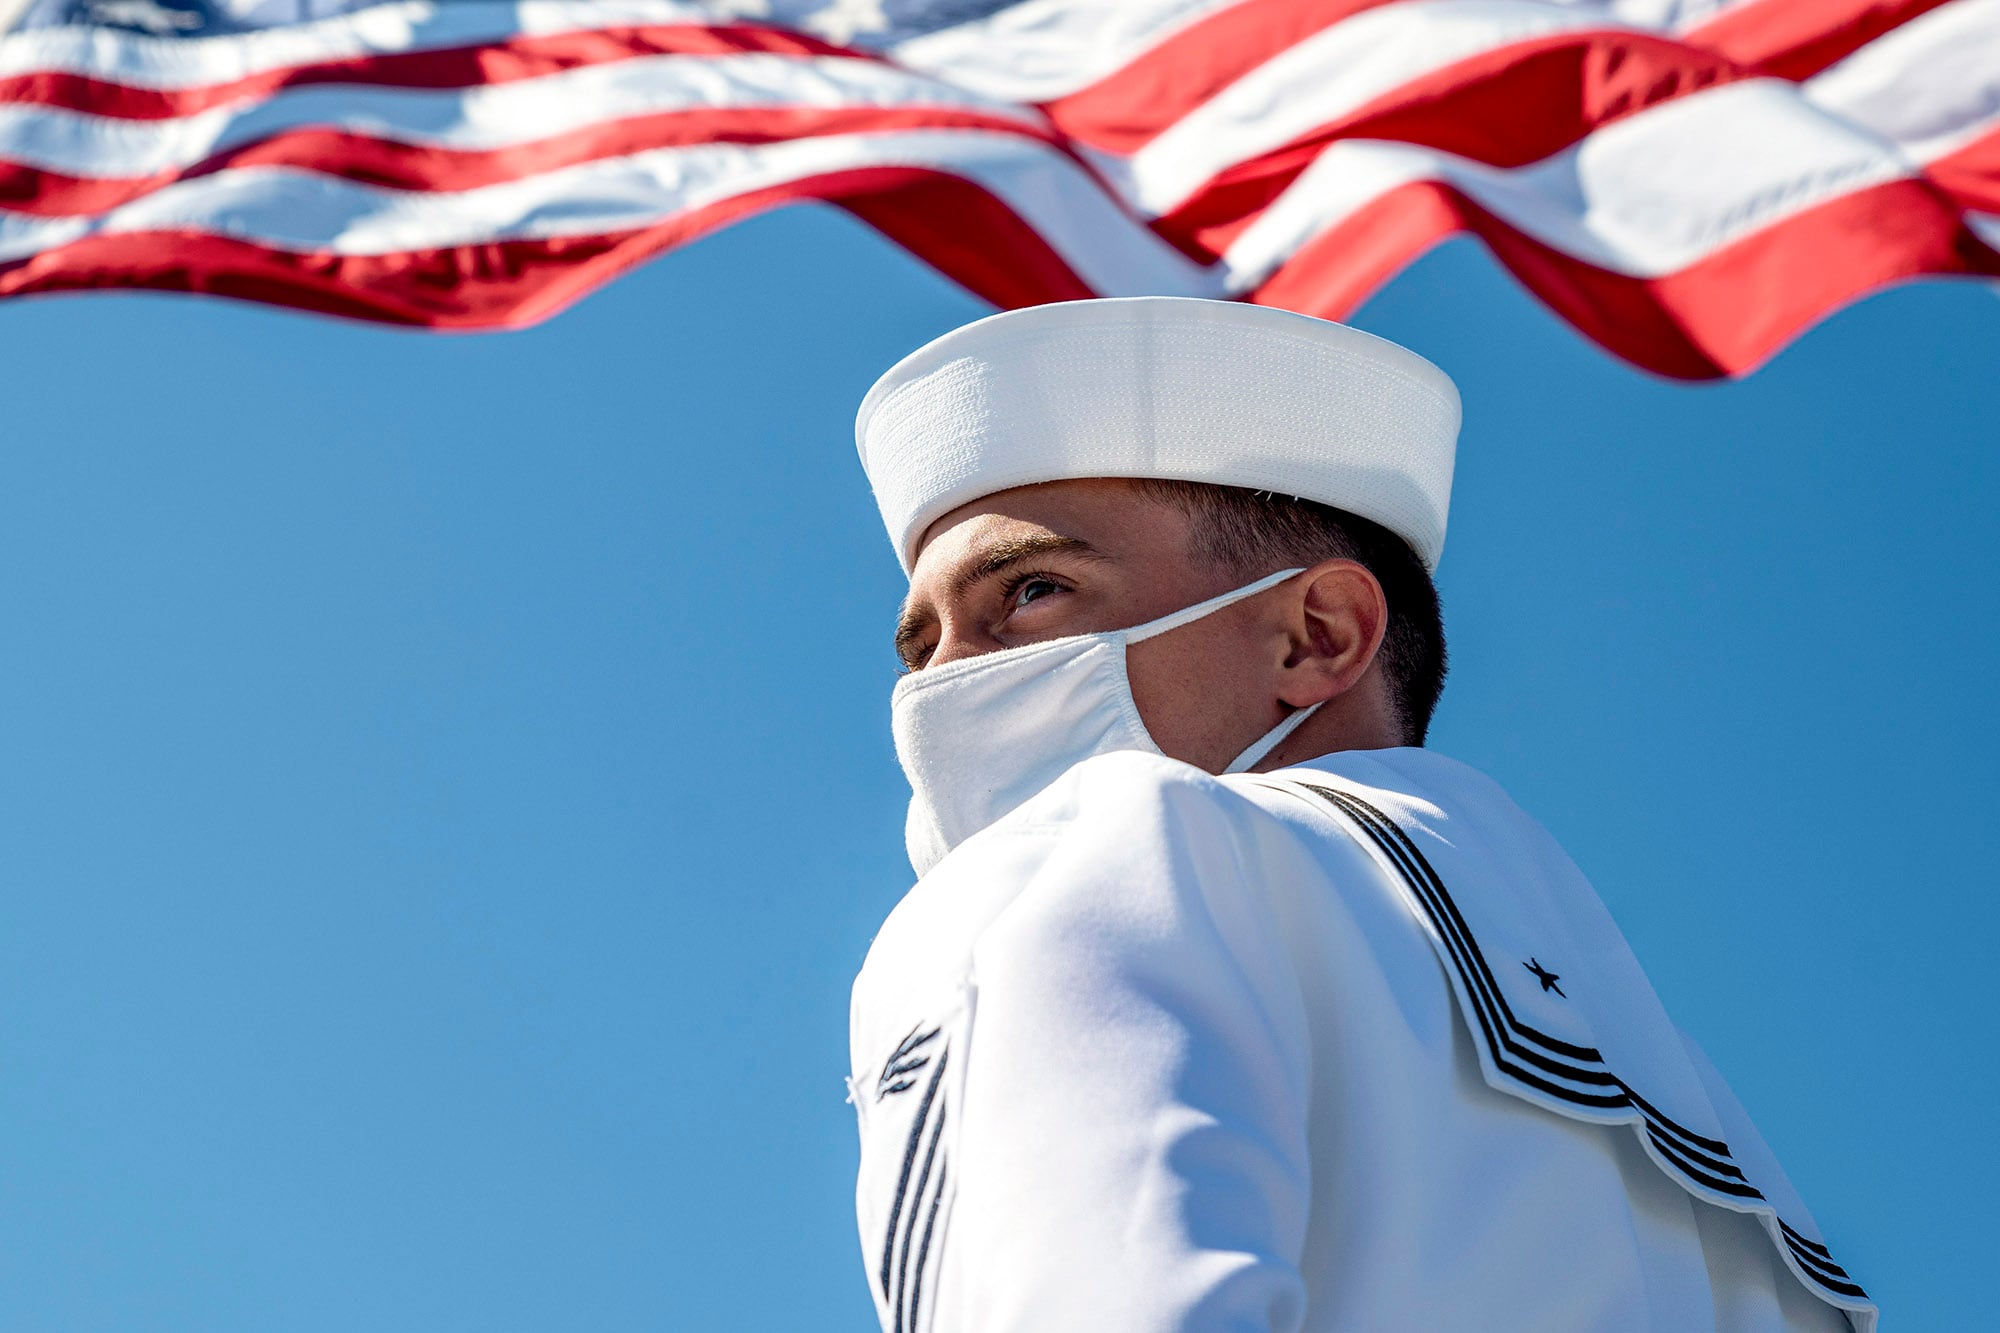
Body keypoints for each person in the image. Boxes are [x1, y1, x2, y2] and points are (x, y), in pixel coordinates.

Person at [844, 297, 1873, 1333]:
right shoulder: (1682, 1095)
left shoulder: (1091, 855)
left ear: (1316, 636)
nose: (942, 683)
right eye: (920, 644)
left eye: (1028, 591)